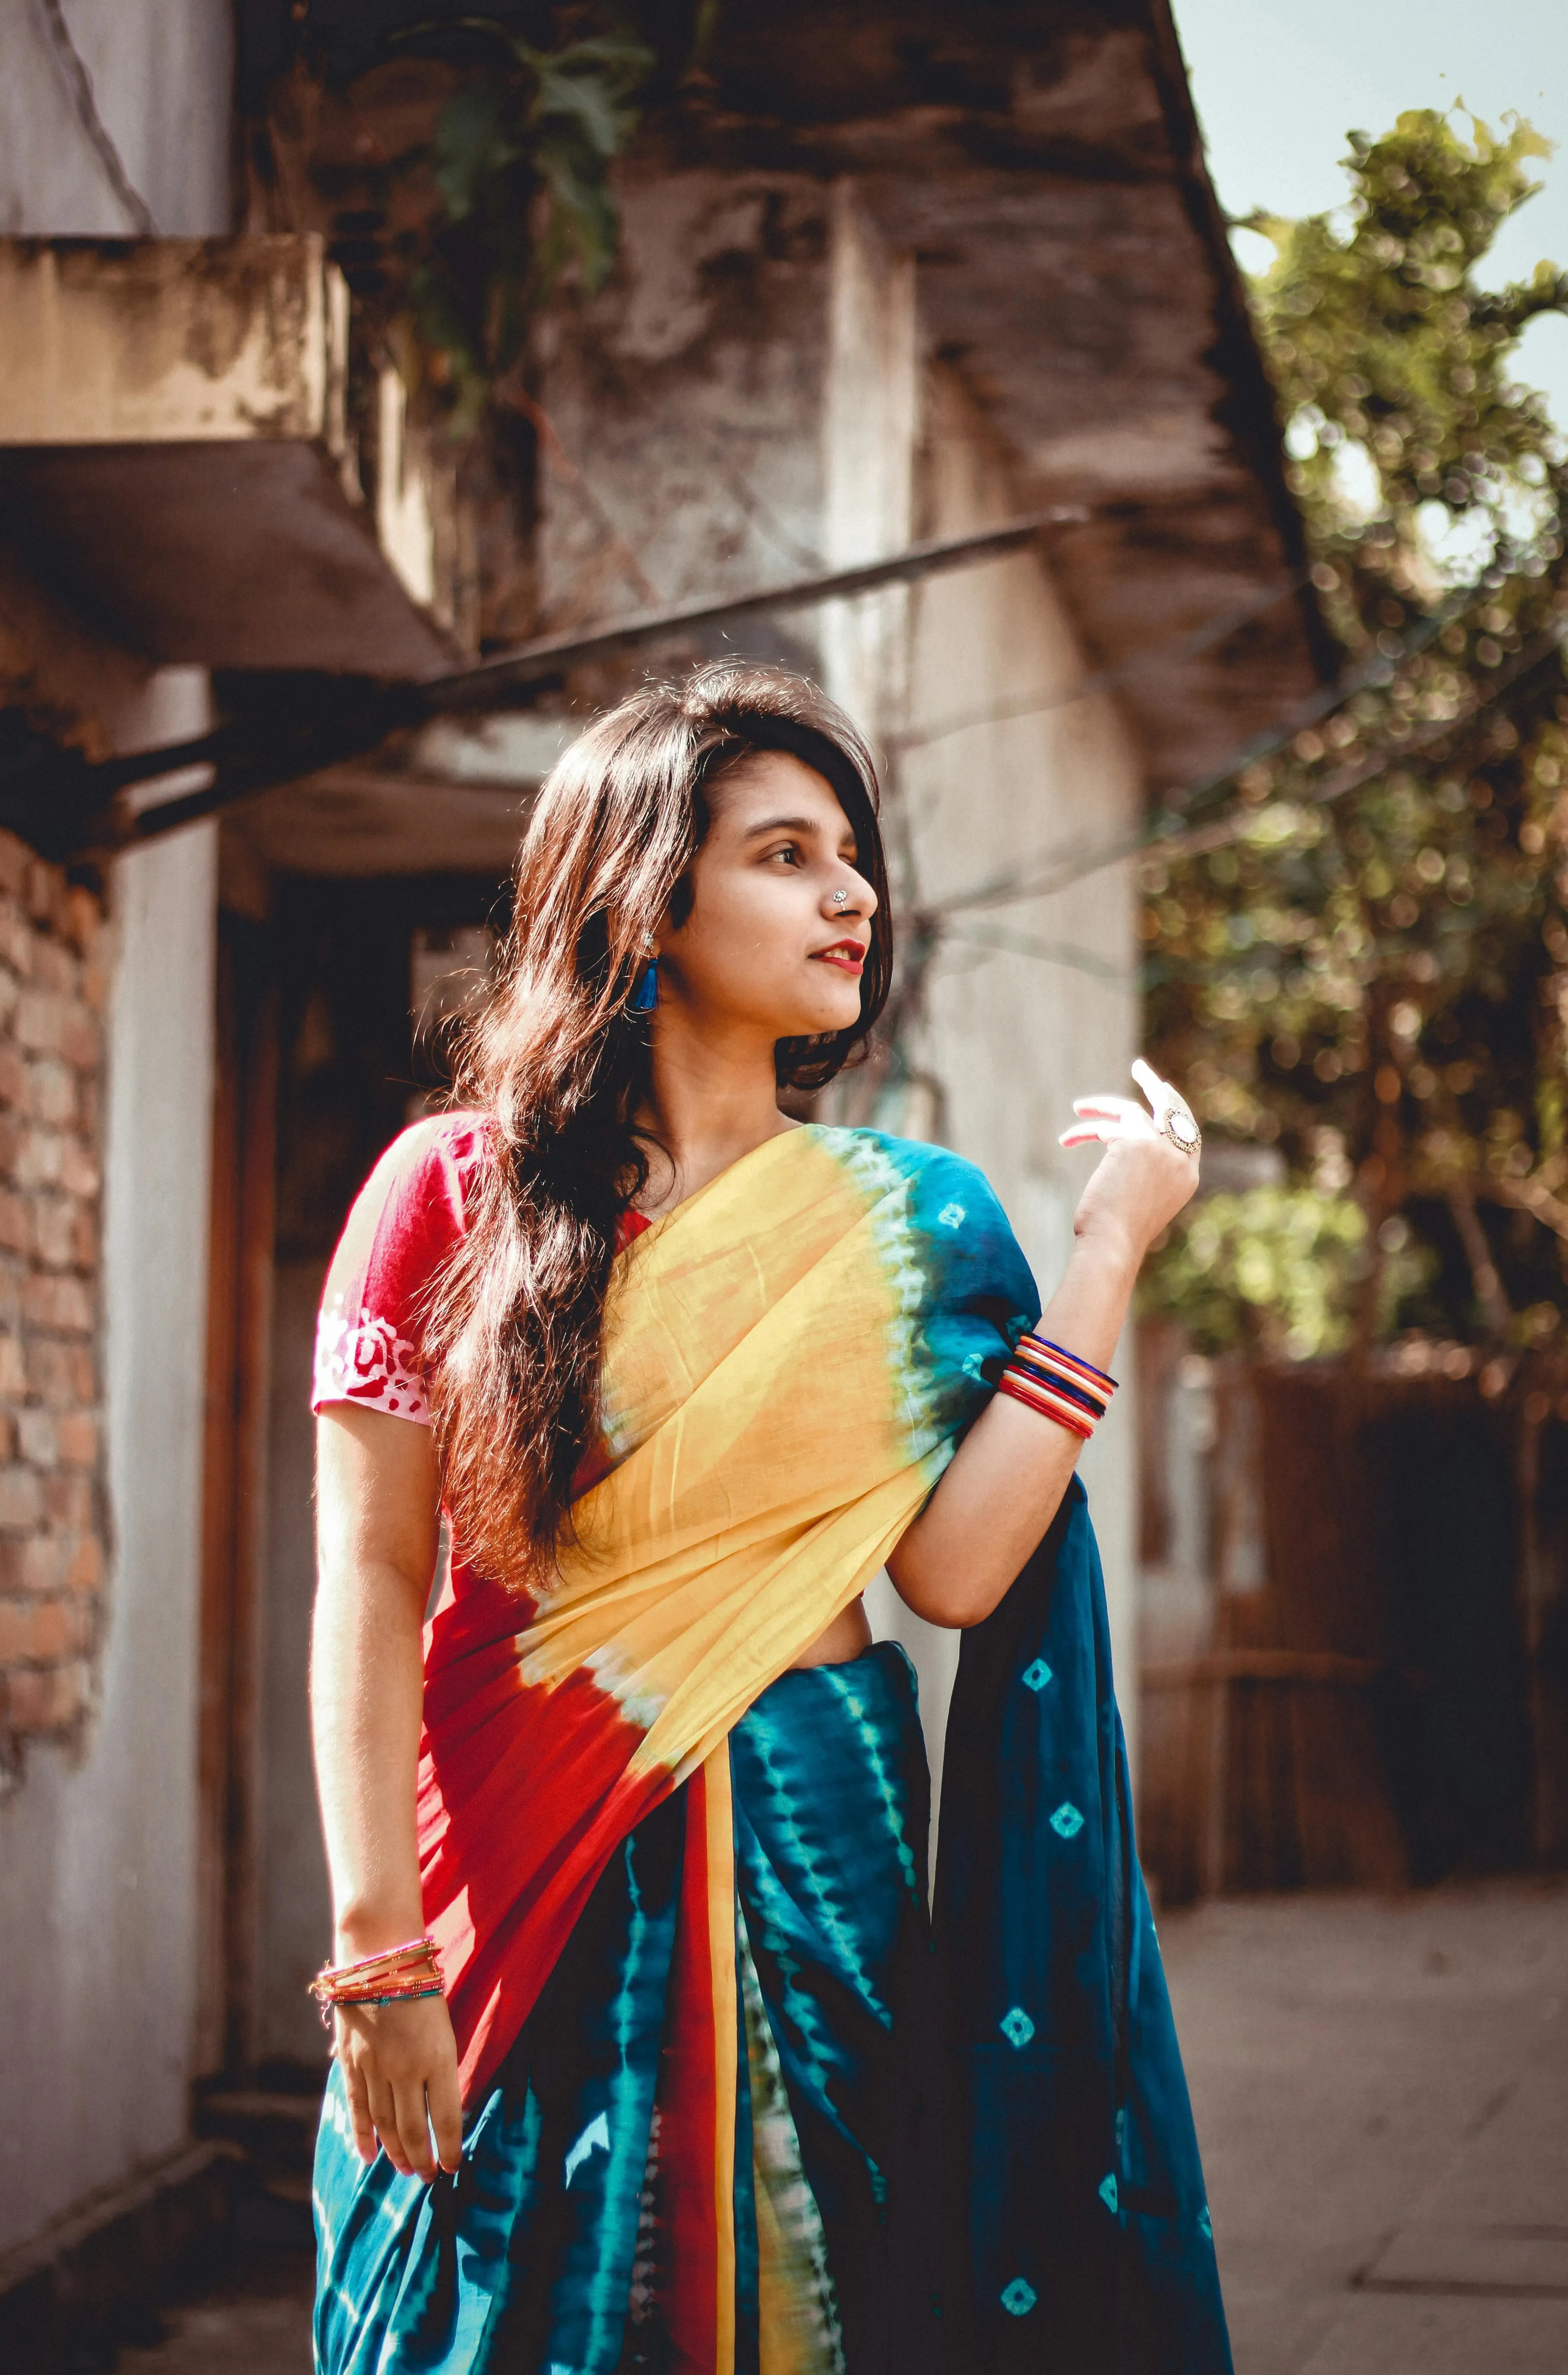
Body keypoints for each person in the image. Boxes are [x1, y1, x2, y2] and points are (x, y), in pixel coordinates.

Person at [308, 663, 1231, 2375]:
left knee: (823, 2291)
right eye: (786, 854)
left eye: (853, 855)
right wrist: (379, 1953)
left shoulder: (911, 1223)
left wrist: (1105, 1256)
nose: (851, 893)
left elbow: (956, 1575)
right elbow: (368, 1575)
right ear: (645, 899)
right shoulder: (453, 1192)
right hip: (511, 1850)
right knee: (490, 2296)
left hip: (819, 1828)